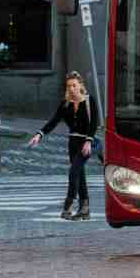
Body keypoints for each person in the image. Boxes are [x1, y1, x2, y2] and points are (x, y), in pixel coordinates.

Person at [28, 72, 98, 220]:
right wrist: (39, 134)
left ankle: (68, 204)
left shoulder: (89, 101)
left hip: (86, 143)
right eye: (69, 86)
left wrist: (89, 141)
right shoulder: (65, 104)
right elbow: (53, 121)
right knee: (80, 174)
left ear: (80, 86)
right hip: (72, 143)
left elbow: (94, 124)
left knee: (74, 172)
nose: (72, 88)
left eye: (74, 85)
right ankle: (84, 208)